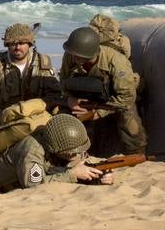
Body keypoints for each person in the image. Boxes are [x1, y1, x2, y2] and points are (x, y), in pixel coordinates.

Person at [60, 25, 147, 155]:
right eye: (72, 54)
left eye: (78, 56)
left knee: (129, 122)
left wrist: (99, 112)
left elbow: (126, 98)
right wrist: (70, 100)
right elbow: (64, 82)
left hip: (115, 100)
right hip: (87, 97)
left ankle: (136, 154)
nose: (73, 58)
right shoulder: (71, 56)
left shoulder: (116, 62)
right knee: (64, 118)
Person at [0, 22, 55, 125]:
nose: (17, 47)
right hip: (7, 118)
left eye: (22, 43)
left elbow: (54, 95)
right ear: (7, 45)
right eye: (13, 43)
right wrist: (1, 119)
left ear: (30, 44)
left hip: (37, 116)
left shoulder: (43, 62)